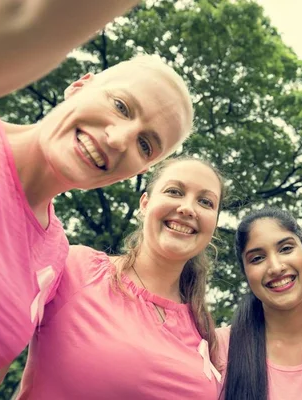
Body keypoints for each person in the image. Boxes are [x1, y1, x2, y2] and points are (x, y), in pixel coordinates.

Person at [0, 2, 194, 397]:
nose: (118, 140)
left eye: (145, 144)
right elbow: (17, 18)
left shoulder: (55, 256)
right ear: (80, 85)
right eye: (120, 106)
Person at [17, 157, 224, 399]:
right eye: (174, 191)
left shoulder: (203, 326)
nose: (188, 208)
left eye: (205, 202)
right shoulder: (76, 267)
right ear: (145, 204)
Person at [218, 207, 302, 400]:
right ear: (246, 275)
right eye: (257, 258)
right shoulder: (219, 350)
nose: (276, 267)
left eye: (286, 249)